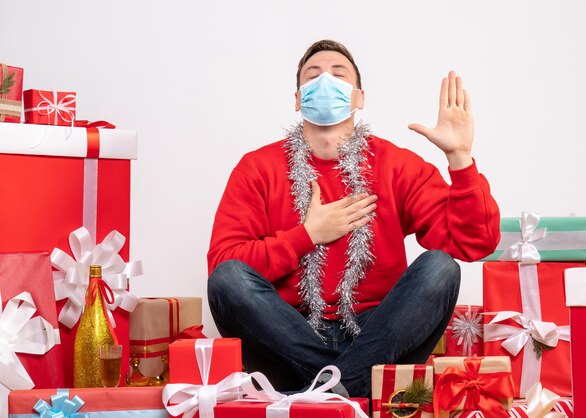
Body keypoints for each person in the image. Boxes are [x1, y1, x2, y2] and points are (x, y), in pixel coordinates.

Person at [206, 39, 500, 398]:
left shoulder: (397, 165)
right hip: (288, 335)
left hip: (378, 334)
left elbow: (473, 244)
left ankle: (324, 392)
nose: (325, 81)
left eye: (338, 73)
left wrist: (460, 158)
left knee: (441, 267)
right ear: (298, 99)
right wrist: (307, 235)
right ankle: (350, 389)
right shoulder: (257, 168)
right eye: (313, 76)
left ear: (359, 97)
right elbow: (223, 268)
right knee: (228, 278)